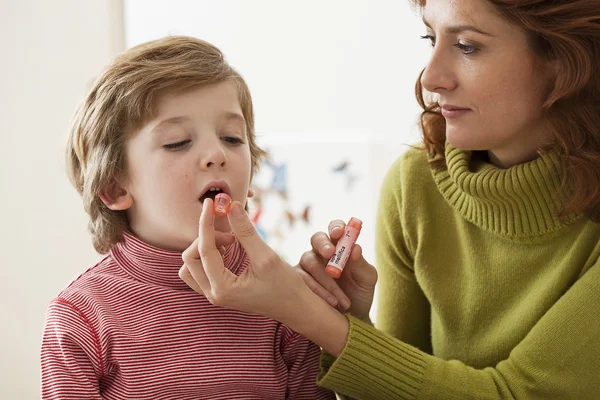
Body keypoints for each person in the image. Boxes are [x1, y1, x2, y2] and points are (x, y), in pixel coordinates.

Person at [180, 0, 600, 398]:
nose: (430, 78)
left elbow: (514, 394)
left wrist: (305, 312)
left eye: (467, 46)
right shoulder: (416, 183)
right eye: (430, 39)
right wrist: (353, 321)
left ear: (567, 60)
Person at [41, 35, 335, 400]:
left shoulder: (284, 298)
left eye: (231, 137)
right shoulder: (81, 316)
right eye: (178, 142)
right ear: (115, 188)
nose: (216, 154)